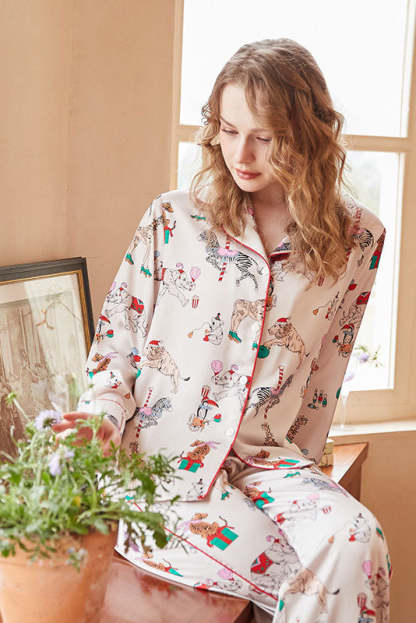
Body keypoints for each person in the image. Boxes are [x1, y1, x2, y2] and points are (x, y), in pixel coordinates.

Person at [54, 39, 390, 623]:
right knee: (305, 575)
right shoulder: (174, 217)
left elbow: (325, 374)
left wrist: (308, 481)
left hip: (268, 463)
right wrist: (101, 420)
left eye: (266, 137)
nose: (241, 154)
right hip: (162, 465)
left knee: (359, 544)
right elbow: (116, 344)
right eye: (229, 131)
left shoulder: (357, 239)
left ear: (307, 134)